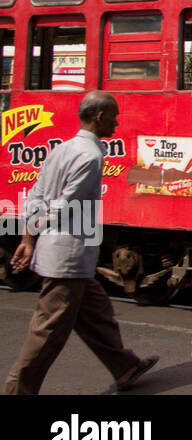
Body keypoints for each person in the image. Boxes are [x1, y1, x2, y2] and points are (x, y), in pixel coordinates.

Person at [5, 92, 158, 395]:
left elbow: (36, 193)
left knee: (97, 314)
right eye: (114, 115)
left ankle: (124, 366)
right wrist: (31, 236)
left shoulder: (61, 149)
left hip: (72, 259)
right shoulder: (90, 156)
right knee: (47, 332)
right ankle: (16, 391)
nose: (117, 121)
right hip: (68, 258)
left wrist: (27, 236)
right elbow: (65, 206)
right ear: (99, 116)